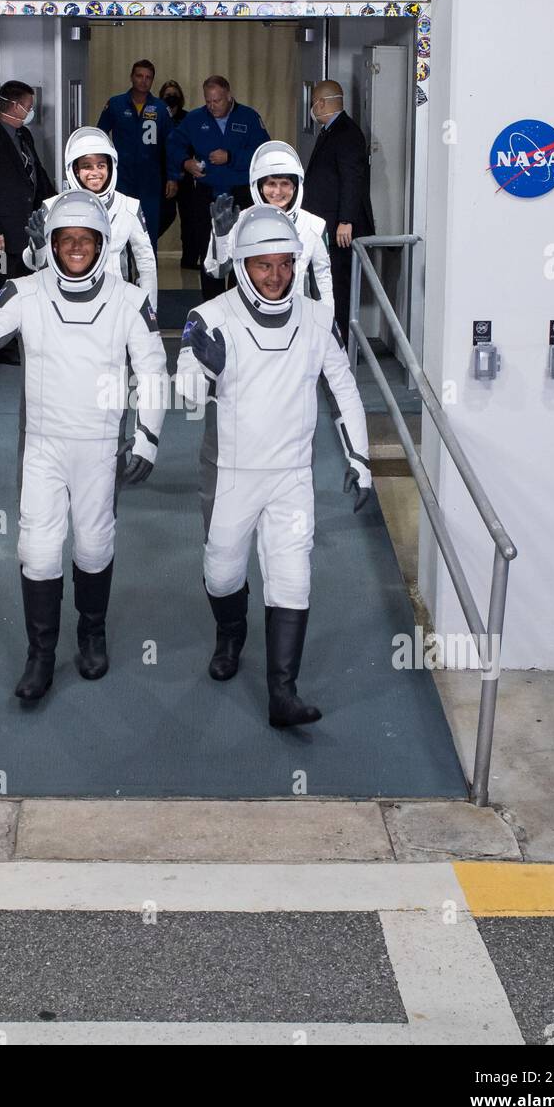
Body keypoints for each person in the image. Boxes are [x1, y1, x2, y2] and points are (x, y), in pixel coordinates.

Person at [0, 190, 168, 704]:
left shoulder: (129, 300)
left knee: (93, 546)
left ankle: (92, 634)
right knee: (37, 550)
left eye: (84, 240)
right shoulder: (25, 291)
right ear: (52, 243)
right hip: (43, 447)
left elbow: (154, 369)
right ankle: (40, 654)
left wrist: (148, 437)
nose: (74, 248)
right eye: (65, 240)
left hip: (99, 446)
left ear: (100, 244)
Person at [175, 204, 371, 729]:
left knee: (292, 577)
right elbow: (185, 392)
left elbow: (344, 388)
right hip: (231, 473)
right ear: (242, 264)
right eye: (265, 265)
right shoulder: (210, 317)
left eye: (286, 264)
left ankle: (282, 692)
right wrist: (207, 372)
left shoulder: (314, 316)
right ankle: (230, 632)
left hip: (292, 474)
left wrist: (360, 457)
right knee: (222, 573)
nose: (277, 276)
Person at [22, 126, 157, 307]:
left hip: (116, 301)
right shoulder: (53, 207)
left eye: (101, 165)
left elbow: (146, 263)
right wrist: (38, 247)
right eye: (87, 166)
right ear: (75, 170)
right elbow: (34, 265)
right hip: (66, 302)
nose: (95, 172)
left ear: (110, 167)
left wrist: (149, 311)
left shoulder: (129, 207)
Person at [0, 80, 55, 363]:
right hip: (1, 234)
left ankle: (24, 341)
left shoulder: (24, 136)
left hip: (26, 229)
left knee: (26, 286)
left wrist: (54, 204)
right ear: (14, 105)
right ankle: (2, 348)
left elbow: (37, 174)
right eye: (28, 106)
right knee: (2, 287)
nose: (31, 110)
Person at [165, 76, 269, 300]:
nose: (212, 107)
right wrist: (186, 163)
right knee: (209, 254)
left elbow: (263, 153)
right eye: (208, 101)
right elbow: (173, 144)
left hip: (241, 194)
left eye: (217, 101)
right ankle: (213, 308)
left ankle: (238, 304)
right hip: (207, 195)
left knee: (240, 253)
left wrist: (231, 157)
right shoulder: (195, 119)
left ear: (229, 96)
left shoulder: (249, 117)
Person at [204, 140, 333, 304]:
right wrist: (221, 236)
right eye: (271, 184)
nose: (278, 192)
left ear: (295, 187)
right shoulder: (238, 221)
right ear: (259, 187)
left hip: (298, 314)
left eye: (285, 184)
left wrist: (328, 322)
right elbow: (216, 272)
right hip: (248, 314)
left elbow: (322, 281)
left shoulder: (314, 225)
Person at [302, 80, 376, 343]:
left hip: (339, 229)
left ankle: (340, 345)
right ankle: (330, 341)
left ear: (321, 103)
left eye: (313, 102)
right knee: (327, 287)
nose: (312, 108)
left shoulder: (346, 133)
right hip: (327, 226)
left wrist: (346, 220)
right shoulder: (330, 131)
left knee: (338, 289)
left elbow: (351, 179)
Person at [97, 59, 172, 247]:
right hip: (122, 177)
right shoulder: (115, 104)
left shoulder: (161, 109)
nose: (143, 81)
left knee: (148, 234)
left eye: (148, 77)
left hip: (150, 179)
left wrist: (173, 177)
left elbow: (171, 145)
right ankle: (122, 276)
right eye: (139, 76)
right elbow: (100, 136)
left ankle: (147, 276)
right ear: (132, 77)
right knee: (119, 233)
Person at [157, 80, 197, 265]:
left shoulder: (188, 118)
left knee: (190, 219)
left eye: (174, 94)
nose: (171, 98)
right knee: (166, 214)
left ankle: (189, 260)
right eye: (167, 95)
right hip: (163, 175)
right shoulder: (157, 117)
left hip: (185, 174)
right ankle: (146, 248)